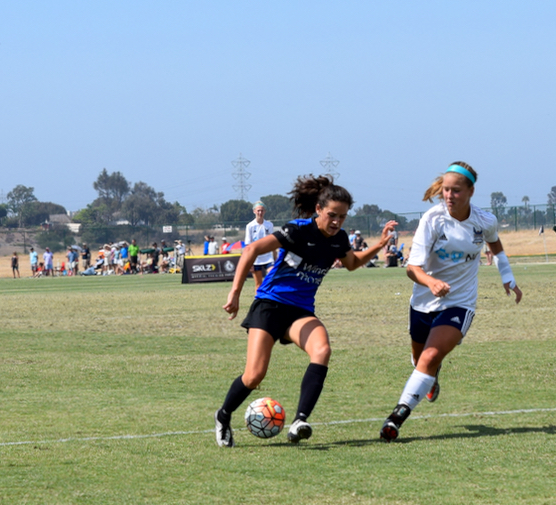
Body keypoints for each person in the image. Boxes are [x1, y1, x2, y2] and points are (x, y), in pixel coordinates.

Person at [215, 174, 397, 448]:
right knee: (254, 376)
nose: (337, 222)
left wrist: (380, 245)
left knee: (322, 350)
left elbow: (351, 262)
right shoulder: (297, 230)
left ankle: (300, 420)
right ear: (319, 210)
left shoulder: (339, 239)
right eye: (332, 215)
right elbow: (251, 249)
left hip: (300, 311)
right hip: (270, 305)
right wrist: (235, 292)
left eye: (343, 217)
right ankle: (223, 415)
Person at [379, 162, 521, 442]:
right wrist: (431, 282)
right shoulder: (432, 219)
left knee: (430, 357)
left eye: (456, 190)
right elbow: (412, 267)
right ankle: (429, 375)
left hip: (460, 302)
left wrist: (507, 275)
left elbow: (495, 243)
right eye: (445, 189)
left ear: (471, 191)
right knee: (420, 359)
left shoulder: (484, 220)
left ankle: (396, 417)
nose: (449, 195)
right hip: (423, 301)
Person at [245, 201, 276, 288]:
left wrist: (275, 257)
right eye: (258, 210)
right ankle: (258, 301)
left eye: (262, 210)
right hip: (256, 259)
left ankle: (270, 299)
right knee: (258, 284)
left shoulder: (269, 225)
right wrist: (249, 263)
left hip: (268, 257)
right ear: (254, 211)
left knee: (272, 278)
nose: (260, 213)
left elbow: (272, 242)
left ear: (265, 211)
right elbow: (248, 245)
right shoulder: (250, 226)